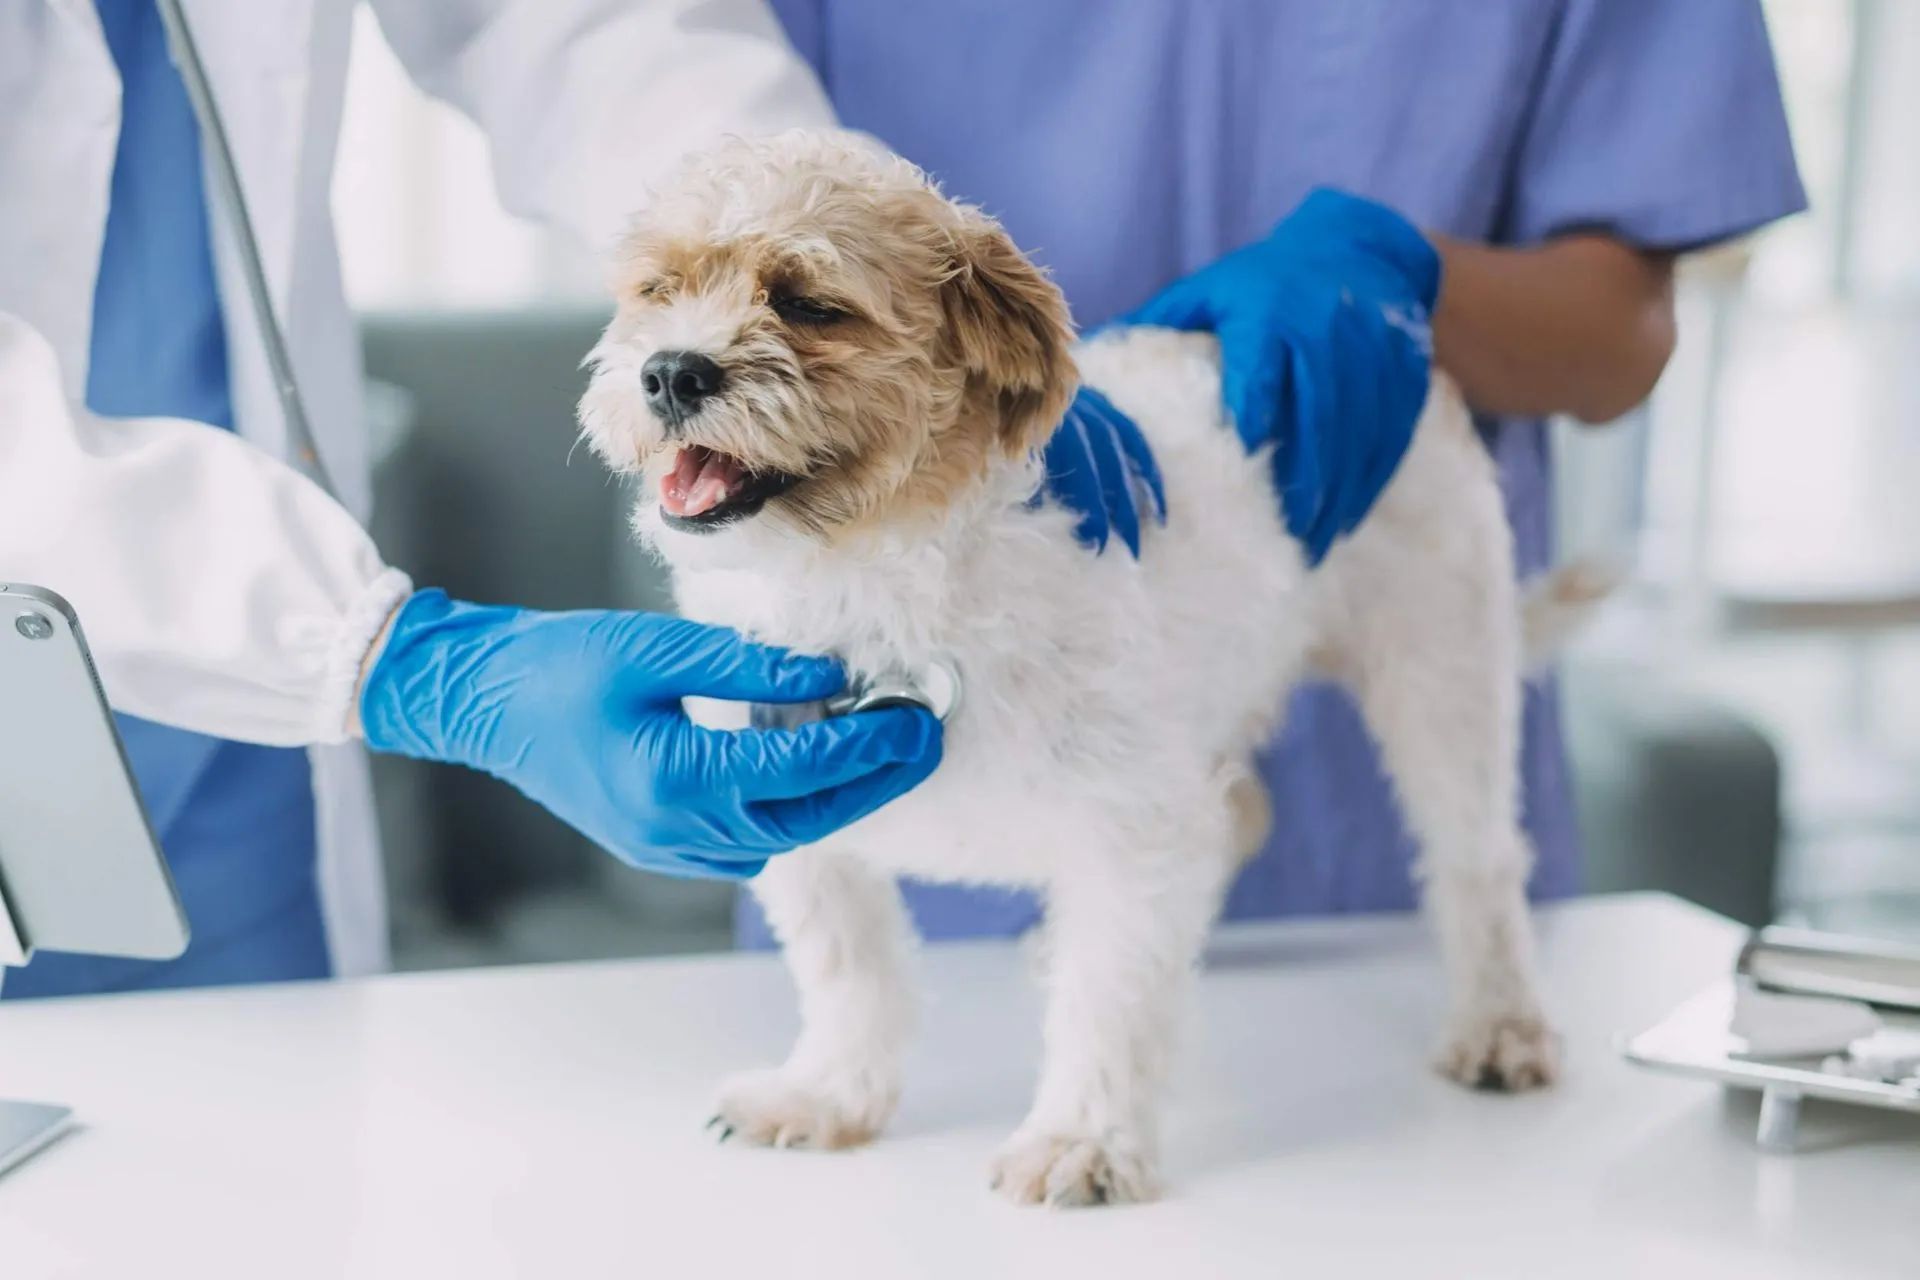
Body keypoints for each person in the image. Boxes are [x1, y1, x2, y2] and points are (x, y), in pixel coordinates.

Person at [0, 0, 1168, 998]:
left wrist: (875, 258)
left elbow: (583, 28)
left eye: (806, 310)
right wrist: (395, 659)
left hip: (243, 796)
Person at [737, 0, 1809, 942]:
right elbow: (702, 144)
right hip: (921, 826)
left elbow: (1623, 329)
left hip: (1368, 863)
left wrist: (1398, 275)